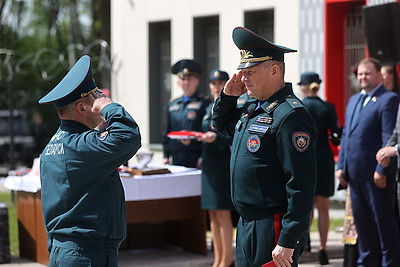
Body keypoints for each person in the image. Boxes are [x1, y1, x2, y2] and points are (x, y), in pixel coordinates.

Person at [212, 26, 318, 267]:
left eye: (249, 72)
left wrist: (288, 239)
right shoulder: (252, 109)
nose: (243, 78)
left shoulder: (290, 115)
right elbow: (221, 126)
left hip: (272, 225)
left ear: (274, 70)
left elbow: (301, 184)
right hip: (247, 222)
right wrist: (228, 97)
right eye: (242, 71)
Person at [38, 55, 142, 267]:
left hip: (66, 250)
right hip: (87, 254)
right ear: (83, 108)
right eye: (95, 96)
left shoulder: (53, 145)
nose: (101, 98)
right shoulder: (81, 145)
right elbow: (128, 136)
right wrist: (109, 107)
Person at [336, 57, 400, 266]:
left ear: (379, 74)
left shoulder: (388, 99)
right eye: (360, 74)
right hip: (354, 175)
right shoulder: (354, 100)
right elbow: (347, 135)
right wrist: (340, 166)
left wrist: (382, 168)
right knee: (362, 228)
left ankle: (389, 263)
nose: (362, 77)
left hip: (375, 176)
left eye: (367, 73)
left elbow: (388, 137)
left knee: (384, 226)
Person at [298, 71, 341, 265]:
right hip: (324, 158)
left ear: (304, 87)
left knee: (305, 205)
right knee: (324, 207)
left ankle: (304, 240)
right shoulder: (328, 108)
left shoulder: (299, 106)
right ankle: (323, 248)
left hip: (304, 156)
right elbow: (336, 136)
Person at [198, 70, 235, 267]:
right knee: (212, 213)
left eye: (220, 82)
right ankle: (218, 259)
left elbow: (233, 135)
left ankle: (227, 259)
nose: (216, 86)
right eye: (213, 83)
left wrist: (216, 138)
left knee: (223, 212)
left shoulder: (232, 107)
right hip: (209, 162)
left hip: (223, 161)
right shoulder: (207, 106)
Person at [162, 59, 211, 168]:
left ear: (197, 81)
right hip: (176, 156)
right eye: (183, 79)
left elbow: (207, 131)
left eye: (189, 79)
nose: (186, 83)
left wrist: (203, 156)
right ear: (178, 82)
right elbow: (167, 131)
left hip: (195, 156)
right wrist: (165, 155)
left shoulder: (205, 103)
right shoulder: (172, 104)